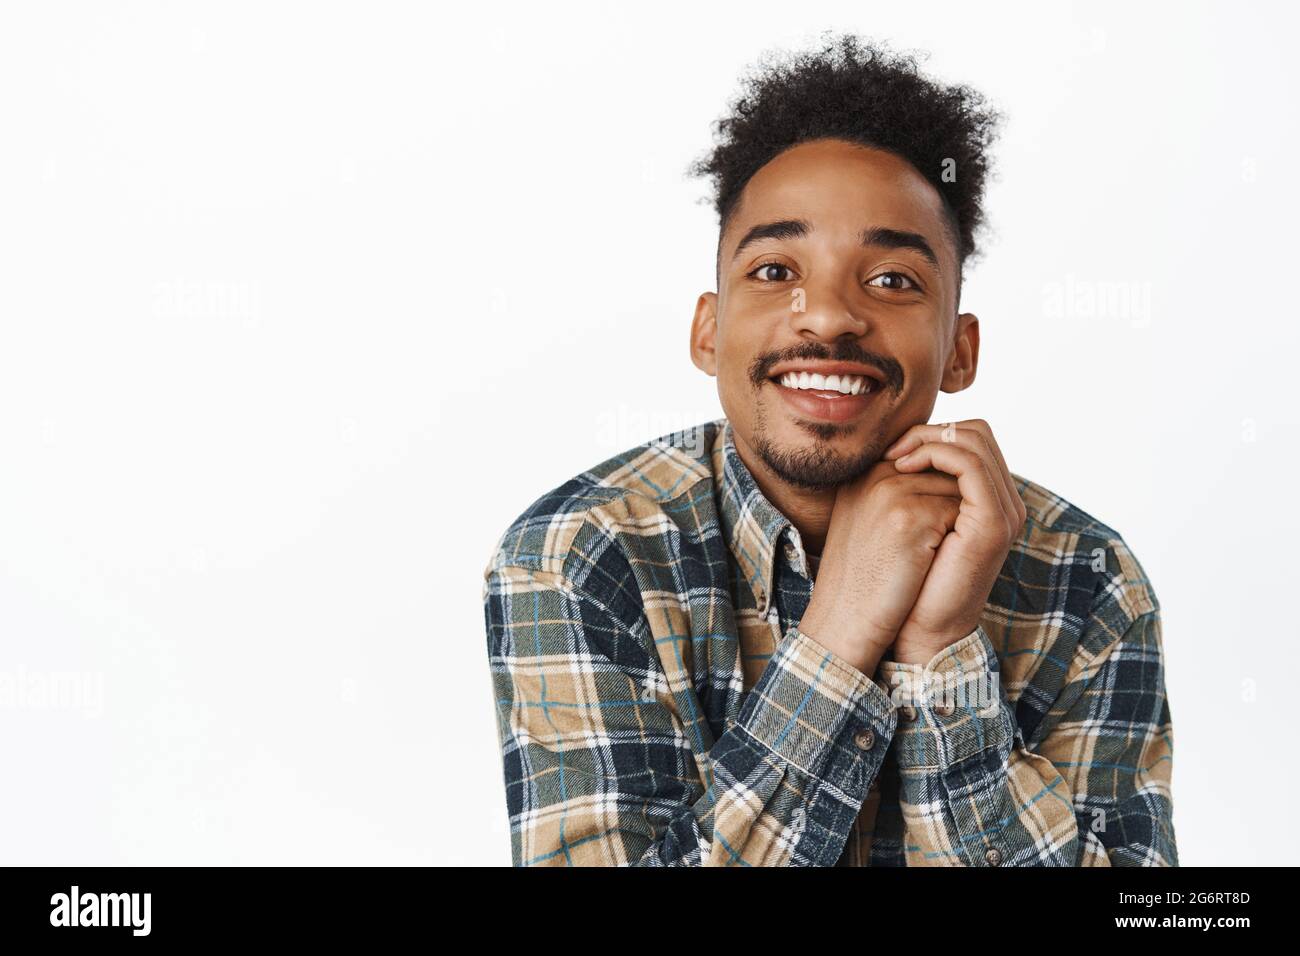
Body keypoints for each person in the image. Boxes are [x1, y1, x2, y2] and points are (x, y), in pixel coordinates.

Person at [481, 33, 1177, 866]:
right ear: (709, 330)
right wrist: (840, 629)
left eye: (891, 280)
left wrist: (942, 655)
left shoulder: (1088, 578)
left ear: (961, 351)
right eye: (776, 270)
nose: (827, 315)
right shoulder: (580, 554)